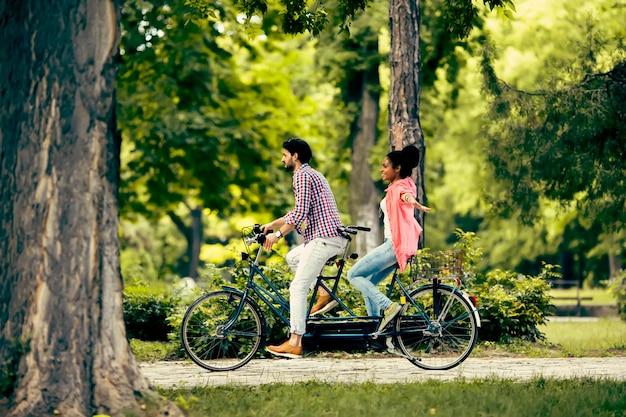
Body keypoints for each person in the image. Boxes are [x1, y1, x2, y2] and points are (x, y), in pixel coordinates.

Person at [261, 138, 347, 359]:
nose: (282, 159)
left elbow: (299, 213)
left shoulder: (301, 176)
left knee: (297, 288)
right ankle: (323, 293)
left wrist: (278, 235)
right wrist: (272, 224)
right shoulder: (313, 174)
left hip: (324, 238)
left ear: (295, 156)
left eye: (284, 155)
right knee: (293, 258)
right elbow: (301, 212)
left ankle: (295, 341)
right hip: (330, 237)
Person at [347, 143, 431, 333]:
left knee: (353, 275)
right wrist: (399, 141)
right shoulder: (403, 181)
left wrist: (414, 202)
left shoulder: (400, 188)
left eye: (385, 166)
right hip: (398, 245)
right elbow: (402, 182)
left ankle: (389, 306)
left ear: (397, 168)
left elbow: (405, 195)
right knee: (368, 283)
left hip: (394, 245)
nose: (381, 169)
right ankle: (377, 332)